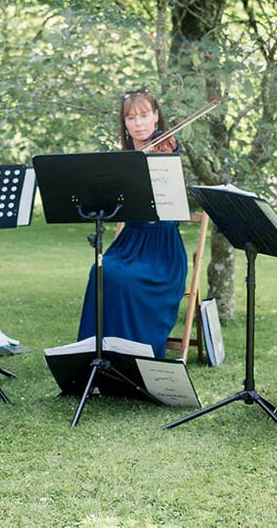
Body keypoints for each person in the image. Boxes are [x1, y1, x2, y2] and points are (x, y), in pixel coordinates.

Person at [77, 89, 188, 358]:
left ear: (156, 117)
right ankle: (96, 355)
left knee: (126, 279)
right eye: (131, 117)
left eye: (143, 115)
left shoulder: (167, 150)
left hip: (161, 247)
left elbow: (171, 205)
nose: (138, 123)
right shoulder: (122, 159)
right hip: (129, 242)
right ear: (124, 124)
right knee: (101, 270)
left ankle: (136, 356)